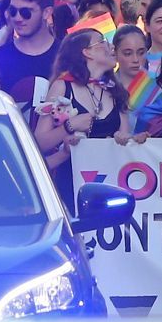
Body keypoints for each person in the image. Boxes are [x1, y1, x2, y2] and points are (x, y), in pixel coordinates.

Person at [35, 31, 129, 201]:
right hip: (71, 183)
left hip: (111, 181)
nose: (112, 46)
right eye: (103, 42)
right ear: (87, 52)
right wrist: (70, 126)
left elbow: (124, 136)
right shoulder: (62, 86)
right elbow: (39, 142)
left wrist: (124, 138)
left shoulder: (115, 89)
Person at [0, 0, 60, 107]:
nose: (17, 18)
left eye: (26, 12)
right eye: (13, 11)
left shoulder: (67, 57)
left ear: (46, 13)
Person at [113, 24, 149, 95]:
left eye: (141, 53)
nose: (135, 60)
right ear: (115, 54)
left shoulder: (158, 89)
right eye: (128, 53)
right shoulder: (105, 89)